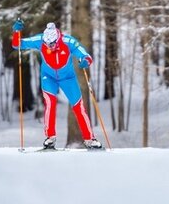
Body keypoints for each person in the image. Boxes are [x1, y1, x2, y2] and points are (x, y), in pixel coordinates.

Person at [12, 20, 102, 150]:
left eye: (53, 44)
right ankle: (50, 138)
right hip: (48, 78)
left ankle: (90, 139)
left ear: (57, 38)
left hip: (68, 78)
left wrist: (85, 60)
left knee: (78, 107)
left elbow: (84, 54)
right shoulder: (41, 40)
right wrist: (16, 32)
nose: (50, 47)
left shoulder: (68, 41)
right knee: (50, 104)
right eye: (47, 44)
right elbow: (17, 45)